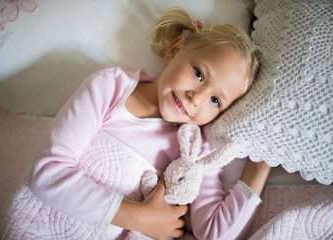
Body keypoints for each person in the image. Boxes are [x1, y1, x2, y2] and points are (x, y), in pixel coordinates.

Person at [28, 7, 270, 240]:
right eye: (199, 74)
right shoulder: (111, 88)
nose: (196, 97)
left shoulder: (194, 150)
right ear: (174, 50)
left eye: (215, 100)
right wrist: (141, 218)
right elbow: (47, 173)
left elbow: (214, 233)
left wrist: (260, 166)